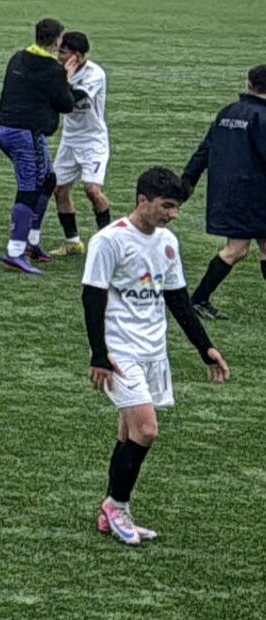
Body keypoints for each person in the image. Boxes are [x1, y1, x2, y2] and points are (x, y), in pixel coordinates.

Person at [81, 167, 229, 545]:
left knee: (128, 431)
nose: (172, 214)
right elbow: (92, 297)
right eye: (166, 206)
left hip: (153, 351)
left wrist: (205, 348)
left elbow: (177, 299)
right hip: (120, 351)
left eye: (176, 207)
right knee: (147, 430)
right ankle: (117, 505)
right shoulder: (109, 240)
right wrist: (99, 354)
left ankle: (112, 512)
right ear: (142, 201)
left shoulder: (167, 242)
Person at [0, 17, 86, 275]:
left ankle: (31, 242)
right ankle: (15, 251)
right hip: (25, 133)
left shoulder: (17, 57)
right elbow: (66, 104)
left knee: (47, 180)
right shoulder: (53, 70)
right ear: (57, 41)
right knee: (30, 189)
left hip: (3, 128)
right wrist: (67, 77)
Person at [180, 63, 266, 320]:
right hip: (255, 193)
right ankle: (197, 299)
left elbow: (205, 149)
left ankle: (198, 300)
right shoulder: (262, 117)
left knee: (247, 248)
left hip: (229, 191)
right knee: (239, 249)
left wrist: (187, 181)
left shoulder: (228, 112)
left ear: (249, 84)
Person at [54, 31, 112, 255]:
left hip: (93, 141)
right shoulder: (58, 70)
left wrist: (66, 77)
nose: (58, 55)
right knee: (59, 189)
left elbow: (71, 99)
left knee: (92, 190)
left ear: (76, 56)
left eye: (62, 52)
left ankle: (107, 243)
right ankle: (73, 242)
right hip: (69, 140)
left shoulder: (95, 74)